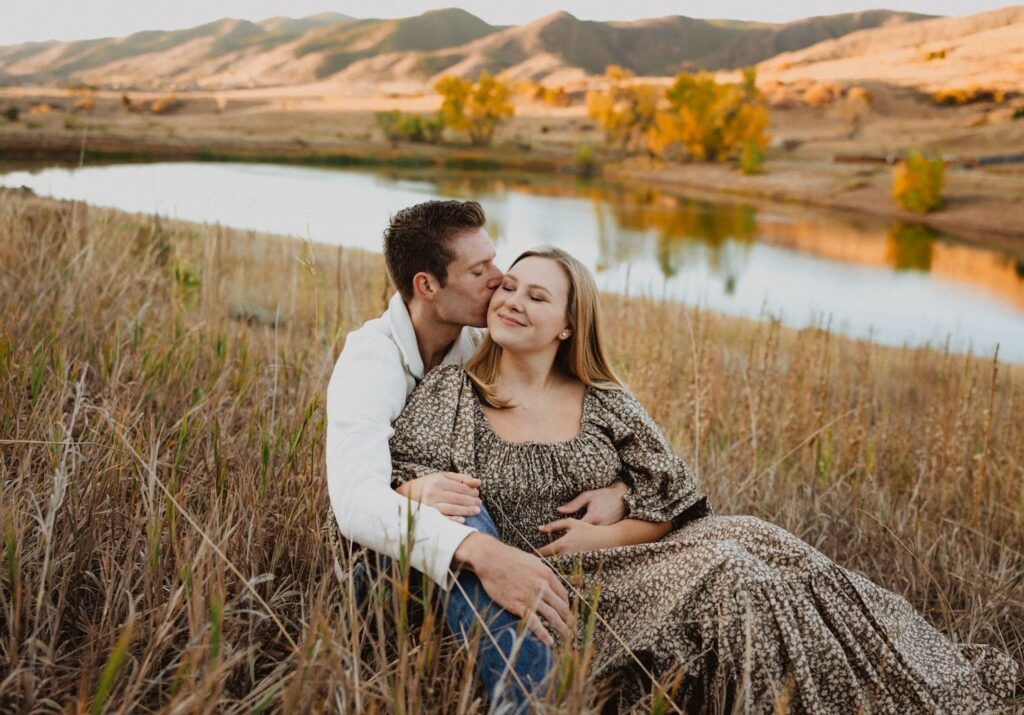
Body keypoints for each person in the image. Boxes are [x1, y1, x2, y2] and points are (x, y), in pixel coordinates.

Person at [388, 246, 1022, 712]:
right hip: (558, 590)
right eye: (510, 287)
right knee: (734, 571)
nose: (512, 302)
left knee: (764, 543)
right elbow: (402, 490)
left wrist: (611, 514)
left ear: (568, 325)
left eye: (537, 296)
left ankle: (921, 682)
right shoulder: (456, 393)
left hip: (637, 556)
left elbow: (673, 503)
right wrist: (409, 491)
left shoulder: (603, 398)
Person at [324, 201, 629, 709]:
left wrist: (620, 491)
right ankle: (527, 701)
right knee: (459, 506)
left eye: (494, 260)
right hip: (383, 578)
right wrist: (482, 552)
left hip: (466, 555)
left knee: (462, 501)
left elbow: (575, 418)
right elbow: (355, 503)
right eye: (478, 270)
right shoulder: (370, 360)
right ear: (427, 286)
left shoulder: (482, 346)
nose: (499, 279)